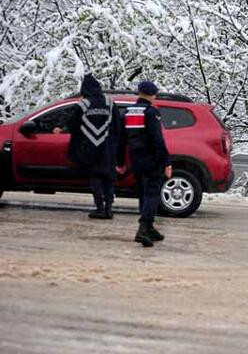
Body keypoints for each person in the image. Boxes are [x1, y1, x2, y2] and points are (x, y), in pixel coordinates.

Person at [54, 73, 121, 219]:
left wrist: (60, 128)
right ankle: (109, 208)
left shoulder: (83, 105)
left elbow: (73, 124)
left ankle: (99, 208)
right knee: (108, 178)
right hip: (107, 148)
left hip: (89, 147)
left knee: (95, 177)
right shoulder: (110, 103)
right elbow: (117, 125)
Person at [117, 81, 172, 248]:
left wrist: (120, 161)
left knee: (143, 193)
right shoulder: (151, 112)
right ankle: (143, 228)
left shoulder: (128, 112)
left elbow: (121, 139)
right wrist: (166, 162)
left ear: (139, 92)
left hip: (136, 159)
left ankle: (149, 227)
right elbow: (157, 139)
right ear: (153, 95)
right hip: (152, 159)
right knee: (152, 194)